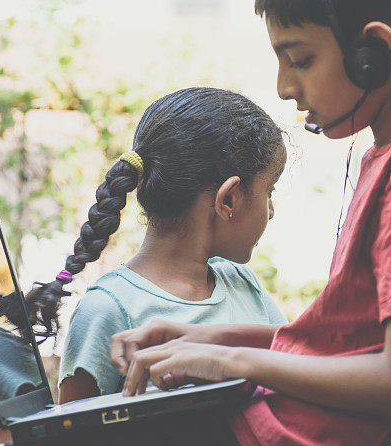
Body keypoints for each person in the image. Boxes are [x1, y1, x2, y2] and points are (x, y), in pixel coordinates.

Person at [108, 0, 391, 444]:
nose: (283, 87)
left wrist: (234, 360)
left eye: (300, 59)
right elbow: (346, 342)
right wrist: (210, 338)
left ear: (372, 53)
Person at [23, 87, 288, 402]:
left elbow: (302, 362)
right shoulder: (109, 309)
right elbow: (71, 431)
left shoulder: (243, 284)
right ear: (228, 199)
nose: (271, 212)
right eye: (269, 190)